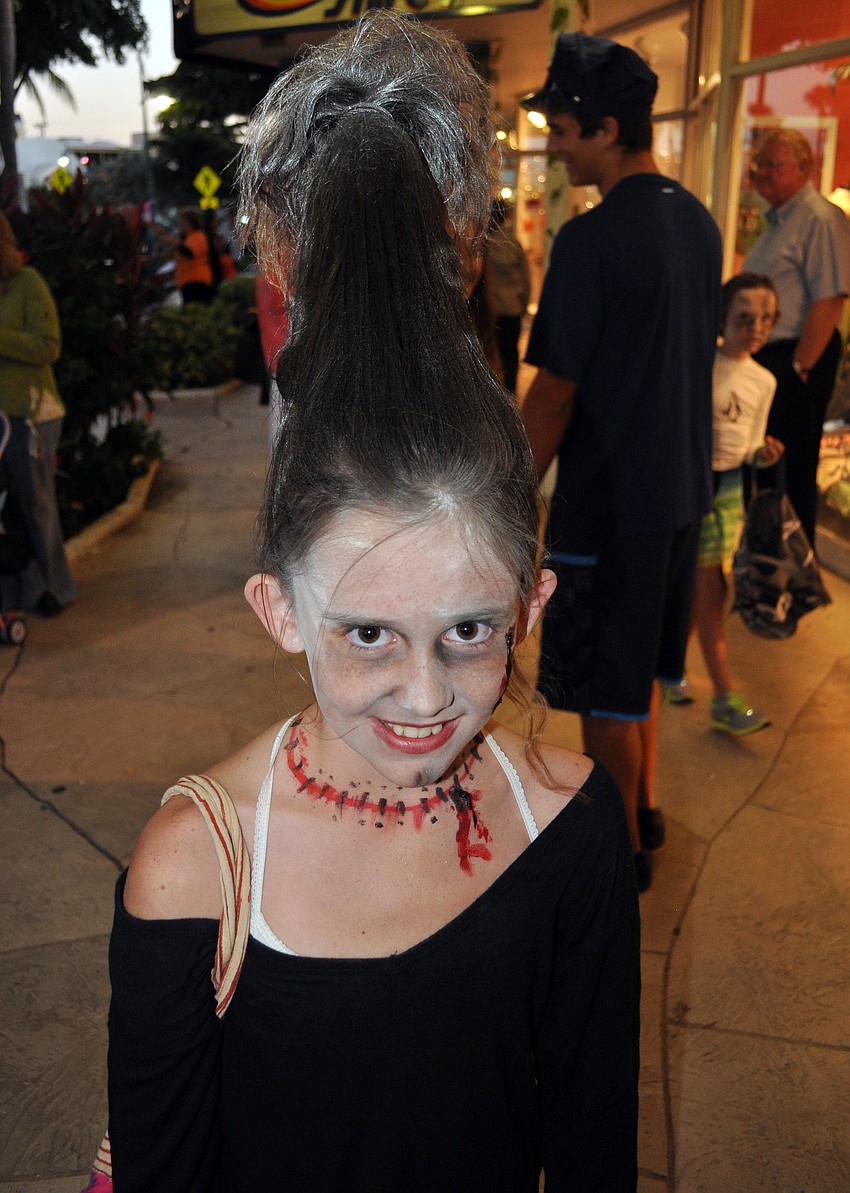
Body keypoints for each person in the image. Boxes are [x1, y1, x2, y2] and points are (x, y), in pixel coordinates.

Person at [102, 14, 640, 1193]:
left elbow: (592, 1150)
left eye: (470, 629)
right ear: (278, 608)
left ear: (532, 600)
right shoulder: (197, 865)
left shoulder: (574, 831)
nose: (423, 693)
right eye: (365, 633)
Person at [520, 32, 722, 891]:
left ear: (606, 128)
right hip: (680, 494)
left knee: (606, 694)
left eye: (563, 128)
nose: (554, 145)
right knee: (637, 671)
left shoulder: (590, 240)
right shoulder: (697, 221)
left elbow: (555, 394)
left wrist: (506, 495)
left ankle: (618, 864)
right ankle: (644, 812)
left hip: (608, 505)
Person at [744, 128, 850, 548]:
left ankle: (791, 575)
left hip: (798, 358)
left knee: (791, 472)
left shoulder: (820, 218)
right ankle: (768, 565)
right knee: (769, 472)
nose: (762, 173)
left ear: (805, 168)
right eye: (760, 164)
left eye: (774, 164)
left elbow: (829, 300)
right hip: (776, 359)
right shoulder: (780, 219)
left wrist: (798, 369)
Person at [693, 273, 783, 735]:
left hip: (729, 491)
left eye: (766, 319)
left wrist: (761, 453)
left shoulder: (763, 380)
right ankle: (723, 696)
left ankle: (670, 672)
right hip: (692, 483)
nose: (756, 327)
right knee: (711, 592)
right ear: (723, 317)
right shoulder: (699, 364)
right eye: (745, 318)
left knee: (705, 586)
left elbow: (748, 443)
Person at [0, 210, 76, 617]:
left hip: (32, 415)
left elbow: (48, 346)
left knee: (37, 503)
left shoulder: (27, 284)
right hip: (2, 419)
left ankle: (55, 587)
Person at [488, 199, 531, 392]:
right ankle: (510, 392)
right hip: (512, 308)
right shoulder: (514, 244)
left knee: (490, 352)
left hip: (490, 309)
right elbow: (525, 279)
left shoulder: (482, 244)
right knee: (510, 353)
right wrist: (523, 305)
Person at [158, 208, 214, 305]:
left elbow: (190, 253)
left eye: (183, 222)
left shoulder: (198, 236)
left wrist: (176, 243)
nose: (181, 225)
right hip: (187, 281)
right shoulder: (188, 238)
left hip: (197, 281)